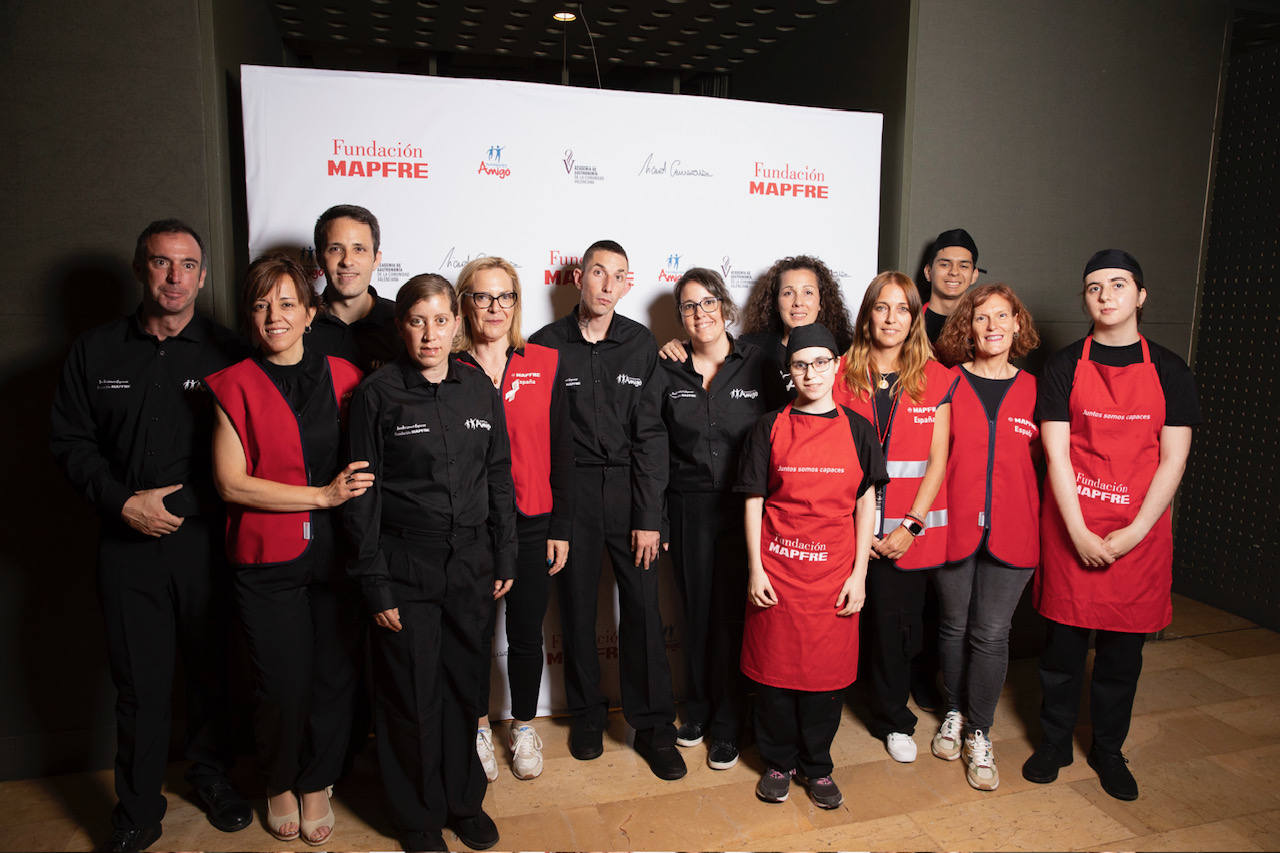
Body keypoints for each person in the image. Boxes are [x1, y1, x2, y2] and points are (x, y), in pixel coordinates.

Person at [49, 219, 251, 853]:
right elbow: (71, 442)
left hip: (204, 541)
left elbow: (251, 448)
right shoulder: (95, 351)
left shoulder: (229, 351)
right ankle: (138, 808)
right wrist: (122, 504)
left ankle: (213, 778)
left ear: (203, 275)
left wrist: (183, 504)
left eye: (187, 265)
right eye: (161, 263)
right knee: (139, 682)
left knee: (212, 671)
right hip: (125, 542)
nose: (174, 277)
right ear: (141, 269)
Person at [344, 275, 517, 852]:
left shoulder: (479, 389)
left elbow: (498, 476)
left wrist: (505, 551)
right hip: (404, 563)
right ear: (401, 327)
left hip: (471, 561)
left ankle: (462, 802)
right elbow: (362, 495)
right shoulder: (378, 394)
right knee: (411, 696)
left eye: (441, 320)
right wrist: (375, 582)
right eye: (418, 321)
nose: (430, 334)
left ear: (457, 324)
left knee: (466, 691)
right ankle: (417, 817)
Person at [1022, 250, 1200, 802]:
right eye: (1094, 286)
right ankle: (1053, 744)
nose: (1105, 295)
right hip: (1074, 522)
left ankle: (1108, 749)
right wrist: (1077, 531)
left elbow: (1173, 460)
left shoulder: (1170, 369)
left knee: (1122, 658)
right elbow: (1056, 454)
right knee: (1062, 654)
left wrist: (1136, 531)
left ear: (1140, 296)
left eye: (1118, 285)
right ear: (1086, 298)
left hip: (1138, 534)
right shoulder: (1063, 366)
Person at [205, 255, 369, 844]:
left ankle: (317, 782)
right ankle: (278, 781)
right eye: (260, 305)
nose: (273, 316)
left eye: (286, 304)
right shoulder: (233, 384)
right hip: (265, 561)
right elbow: (231, 483)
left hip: (337, 560)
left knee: (332, 676)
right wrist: (320, 497)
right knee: (280, 683)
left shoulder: (347, 377)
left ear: (310, 312)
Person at [528, 240, 684, 780]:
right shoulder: (544, 346)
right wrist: (554, 518)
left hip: (628, 491)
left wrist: (649, 516)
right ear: (580, 278)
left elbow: (652, 436)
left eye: (617, 275)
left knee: (642, 610)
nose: (606, 283)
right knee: (574, 609)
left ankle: (654, 728)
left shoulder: (640, 344)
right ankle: (588, 715)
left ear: (626, 284)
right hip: (569, 496)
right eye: (598, 272)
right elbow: (536, 437)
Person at [736, 323, 885, 808]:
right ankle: (779, 761)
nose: (812, 372)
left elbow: (867, 505)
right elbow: (755, 500)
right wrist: (756, 568)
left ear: (837, 365)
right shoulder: (769, 427)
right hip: (778, 572)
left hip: (834, 575)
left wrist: (860, 574)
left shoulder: (859, 429)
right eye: (801, 364)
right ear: (789, 371)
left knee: (826, 680)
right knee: (775, 676)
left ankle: (818, 767)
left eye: (822, 362)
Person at [648, 268, 783, 771]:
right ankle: (700, 710)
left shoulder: (759, 364)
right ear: (679, 317)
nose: (700, 314)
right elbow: (655, 449)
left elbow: (784, 434)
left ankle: (730, 723)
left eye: (708, 303)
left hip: (745, 510)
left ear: (724, 306)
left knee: (733, 617)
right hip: (687, 509)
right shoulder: (666, 370)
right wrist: (658, 518)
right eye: (689, 306)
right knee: (696, 614)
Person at [453, 257, 573, 783]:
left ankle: (523, 725)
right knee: (473, 635)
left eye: (505, 297)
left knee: (525, 634)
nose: (494, 308)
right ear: (464, 305)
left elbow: (565, 450)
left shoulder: (544, 362)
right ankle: (477, 725)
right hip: (471, 525)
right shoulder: (448, 367)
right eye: (482, 297)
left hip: (533, 520)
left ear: (517, 303)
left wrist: (562, 525)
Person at [833, 271, 952, 764]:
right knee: (841, 621)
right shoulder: (838, 371)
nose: (891, 318)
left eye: (902, 309)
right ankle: (826, 712)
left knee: (897, 630)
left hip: (907, 534)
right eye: (881, 307)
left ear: (915, 317)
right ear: (867, 315)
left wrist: (911, 526)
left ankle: (893, 719)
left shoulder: (938, 377)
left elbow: (939, 461)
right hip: (846, 528)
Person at [929, 284, 1042, 791]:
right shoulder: (945, 384)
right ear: (966, 328)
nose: (993, 325)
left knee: (992, 633)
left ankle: (980, 730)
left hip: (1015, 531)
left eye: (1003, 316)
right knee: (953, 626)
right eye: (981, 317)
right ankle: (951, 711)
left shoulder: (1039, 391)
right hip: (953, 526)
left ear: (1018, 324)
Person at [659, 255, 855, 397]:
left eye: (808, 292)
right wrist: (681, 347)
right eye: (788, 293)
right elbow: (710, 348)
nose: (798, 302)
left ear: (822, 300)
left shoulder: (844, 352)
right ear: (775, 302)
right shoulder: (753, 351)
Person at [308, 204, 401, 373]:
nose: (347, 261)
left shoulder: (401, 324)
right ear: (320, 258)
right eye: (336, 249)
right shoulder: (299, 326)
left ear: (376, 259)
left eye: (359, 249)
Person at [922, 228, 983, 344]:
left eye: (963, 266)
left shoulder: (984, 328)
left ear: (974, 275)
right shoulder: (909, 324)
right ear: (928, 272)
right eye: (945, 264)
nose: (954, 272)